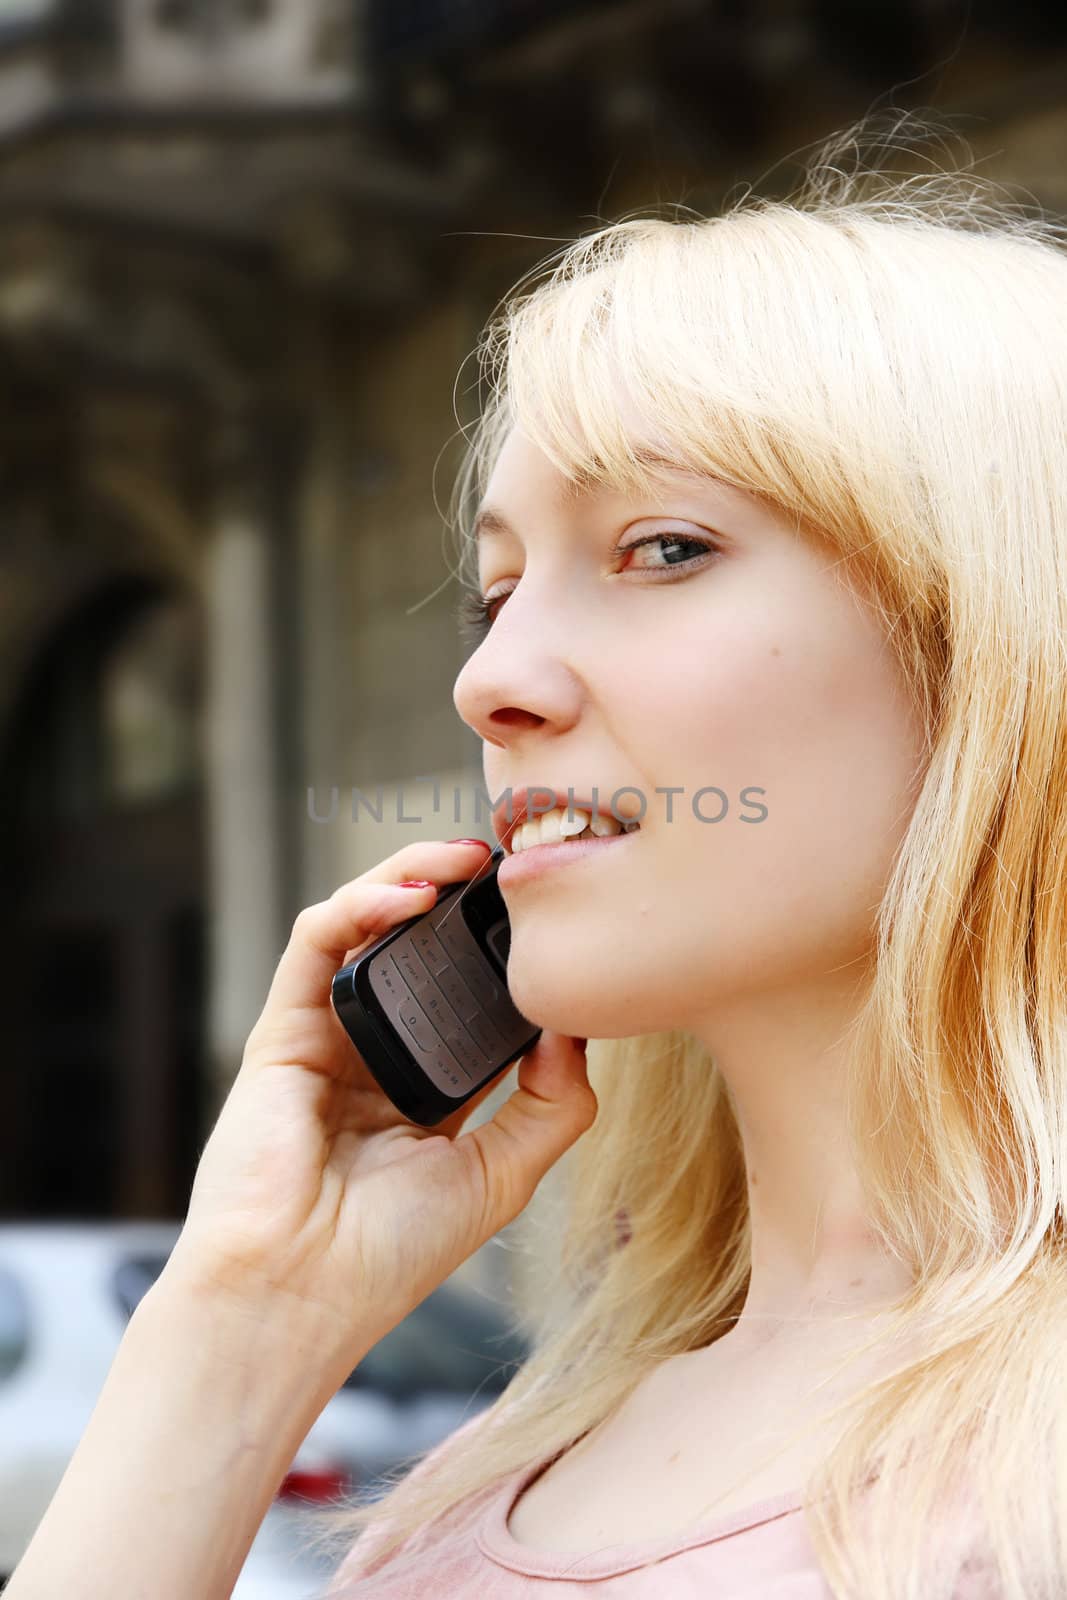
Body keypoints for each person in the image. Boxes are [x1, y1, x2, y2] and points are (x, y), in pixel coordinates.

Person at [8, 109, 1067, 1599]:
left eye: (662, 548)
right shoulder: (511, 1467)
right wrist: (246, 1322)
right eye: (494, 592)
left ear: (1004, 646)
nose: (492, 681)